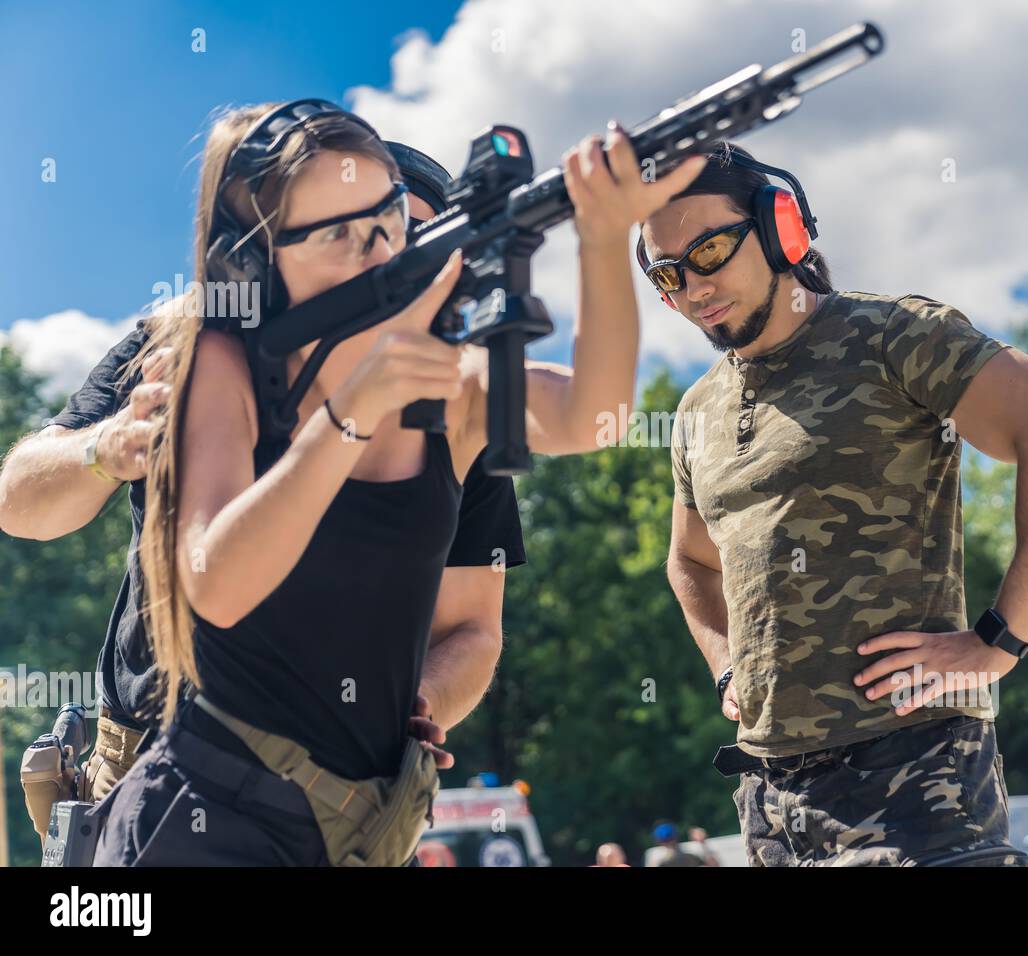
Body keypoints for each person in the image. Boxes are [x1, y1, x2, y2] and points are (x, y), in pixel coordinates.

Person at [88, 99, 704, 866]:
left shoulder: (451, 379)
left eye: (386, 224)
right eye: (338, 237)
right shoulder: (221, 362)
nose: (378, 255)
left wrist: (604, 240)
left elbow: (599, 419)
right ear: (254, 260)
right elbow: (216, 581)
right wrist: (350, 412)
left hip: (366, 826)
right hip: (212, 817)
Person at [0, 140, 518, 841]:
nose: (385, 262)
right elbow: (18, 504)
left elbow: (472, 630)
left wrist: (420, 697)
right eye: (360, 230)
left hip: (339, 796)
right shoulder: (190, 336)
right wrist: (109, 444)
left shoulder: (460, 407)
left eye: (415, 243)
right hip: (150, 763)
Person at [646, 142, 1028, 867]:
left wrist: (998, 641)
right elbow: (688, 560)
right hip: (771, 799)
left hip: (914, 774)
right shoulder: (695, 410)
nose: (694, 286)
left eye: (709, 250)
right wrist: (723, 663)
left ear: (781, 229)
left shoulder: (893, 334)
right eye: (669, 275)